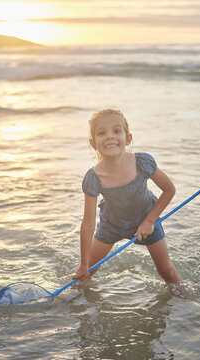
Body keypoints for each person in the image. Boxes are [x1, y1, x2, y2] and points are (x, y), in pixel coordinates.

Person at [73, 109, 182, 288]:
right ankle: (66, 301)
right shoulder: (93, 178)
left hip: (147, 218)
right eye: (102, 133)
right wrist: (83, 264)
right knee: (86, 273)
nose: (110, 137)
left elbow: (169, 190)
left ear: (128, 138)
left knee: (167, 272)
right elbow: (88, 223)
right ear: (93, 143)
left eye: (116, 131)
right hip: (112, 224)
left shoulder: (142, 163)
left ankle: (186, 301)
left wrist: (150, 221)